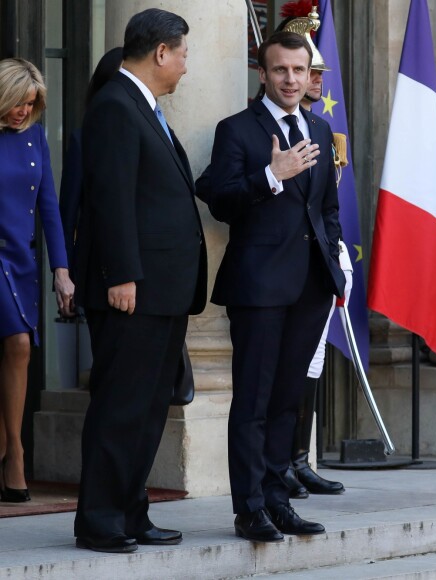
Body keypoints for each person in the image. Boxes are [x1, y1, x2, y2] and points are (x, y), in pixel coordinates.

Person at [73, 8, 207, 554]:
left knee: (150, 408)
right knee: (121, 406)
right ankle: (100, 520)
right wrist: (122, 274)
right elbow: (110, 201)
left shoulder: (141, 107)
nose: (184, 66)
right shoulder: (115, 107)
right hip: (133, 290)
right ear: (160, 53)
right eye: (182, 54)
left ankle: (131, 512)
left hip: (163, 289)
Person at [205, 31, 345, 543]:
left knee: (288, 400)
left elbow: (327, 209)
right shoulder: (237, 130)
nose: (290, 80)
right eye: (280, 70)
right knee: (254, 401)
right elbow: (220, 200)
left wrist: (334, 265)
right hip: (259, 288)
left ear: (311, 75)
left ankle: (278, 500)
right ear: (262, 74)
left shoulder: (321, 127)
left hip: (310, 287)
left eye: (299, 71)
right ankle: (250, 509)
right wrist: (271, 173)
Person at [275, 9, 353, 499]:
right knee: (284, 370)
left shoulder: (325, 131)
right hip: (279, 269)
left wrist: (334, 255)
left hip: (319, 265)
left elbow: (329, 205)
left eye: (313, 72)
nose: (315, 80)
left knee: (313, 363)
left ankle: (299, 458)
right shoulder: (266, 128)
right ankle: (279, 462)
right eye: (308, 71)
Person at [0, 58, 75, 502]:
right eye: (16, 102)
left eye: (30, 104)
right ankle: (16, 454)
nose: (22, 112)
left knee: (16, 350)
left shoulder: (35, 138)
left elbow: (49, 206)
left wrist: (61, 271)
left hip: (21, 261)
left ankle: (7, 446)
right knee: (19, 344)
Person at [59, 47, 124, 278]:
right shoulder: (83, 139)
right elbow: (68, 213)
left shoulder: (158, 133)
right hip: (96, 268)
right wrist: (64, 275)